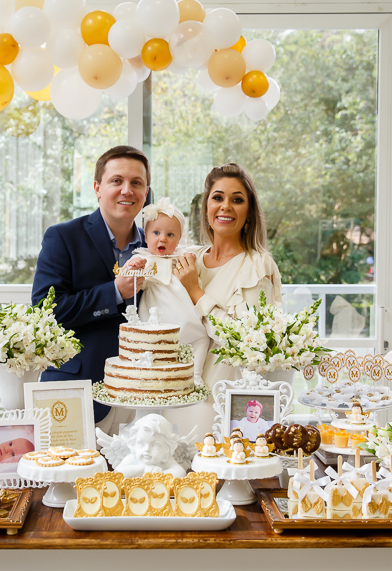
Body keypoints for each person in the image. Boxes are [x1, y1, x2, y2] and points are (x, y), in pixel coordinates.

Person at [31, 146, 150, 425]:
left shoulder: (154, 246)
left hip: (141, 397)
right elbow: (45, 311)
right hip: (75, 390)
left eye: (137, 183)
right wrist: (114, 292)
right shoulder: (63, 236)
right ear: (97, 188)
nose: (127, 190)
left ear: (146, 192)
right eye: (116, 181)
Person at [172, 163, 283, 432]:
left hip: (220, 399)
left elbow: (245, 341)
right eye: (218, 197)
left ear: (249, 213)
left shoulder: (257, 266)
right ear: (206, 208)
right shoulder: (190, 258)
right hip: (177, 392)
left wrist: (196, 292)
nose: (226, 206)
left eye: (237, 200)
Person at [122, 197, 210, 387]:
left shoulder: (181, 257)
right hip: (157, 311)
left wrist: (190, 259)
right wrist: (135, 268)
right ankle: (151, 375)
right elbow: (129, 277)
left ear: (179, 239)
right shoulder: (142, 258)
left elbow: (194, 271)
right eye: (156, 233)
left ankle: (195, 374)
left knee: (201, 337)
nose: (163, 238)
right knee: (152, 344)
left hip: (183, 311)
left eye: (170, 235)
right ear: (145, 237)